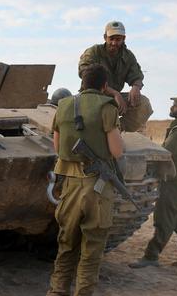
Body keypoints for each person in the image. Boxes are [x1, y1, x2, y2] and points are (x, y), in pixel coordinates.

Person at [47, 64, 124, 296]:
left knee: (67, 244)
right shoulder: (107, 107)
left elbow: (58, 147)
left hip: (69, 185)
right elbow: (117, 151)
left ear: (82, 83)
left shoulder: (63, 105)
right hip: (97, 189)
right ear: (104, 86)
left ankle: (57, 291)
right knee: (91, 250)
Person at [129, 94, 177, 268]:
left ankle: (151, 256)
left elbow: (165, 153)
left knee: (164, 218)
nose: (172, 107)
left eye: (174, 105)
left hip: (172, 180)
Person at [78, 21, 153, 132]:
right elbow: (85, 74)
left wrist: (136, 87)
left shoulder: (128, 56)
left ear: (123, 39)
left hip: (113, 100)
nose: (114, 43)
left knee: (144, 104)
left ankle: (116, 130)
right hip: (92, 97)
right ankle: (99, 131)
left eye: (118, 39)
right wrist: (114, 93)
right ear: (105, 37)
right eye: (111, 39)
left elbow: (136, 74)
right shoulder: (94, 52)